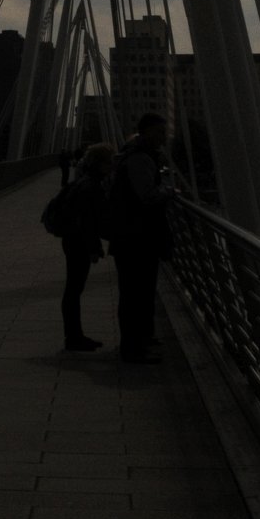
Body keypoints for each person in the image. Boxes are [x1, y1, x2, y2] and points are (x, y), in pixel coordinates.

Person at [108, 112, 173, 364]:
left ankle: (138, 341)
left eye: (163, 132)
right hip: (136, 238)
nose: (163, 137)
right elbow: (146, 196)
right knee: (135, 293)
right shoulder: (140, 159)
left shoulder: (134, 156)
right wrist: (168, 191)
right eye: (158, 132)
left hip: (132, 237)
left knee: (138, 292)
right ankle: (133, 348)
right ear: (145, 132)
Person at [57, 142, 115, 353]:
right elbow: (88, 221)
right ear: (99, 164)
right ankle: (73, 338)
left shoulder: (85, 182)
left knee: (74, 288)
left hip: (73, 240)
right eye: (109, 162)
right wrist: (94, 248)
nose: (111, 166)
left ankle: (75, 335)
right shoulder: (90, 186)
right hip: (77, 243)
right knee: (74, 289)